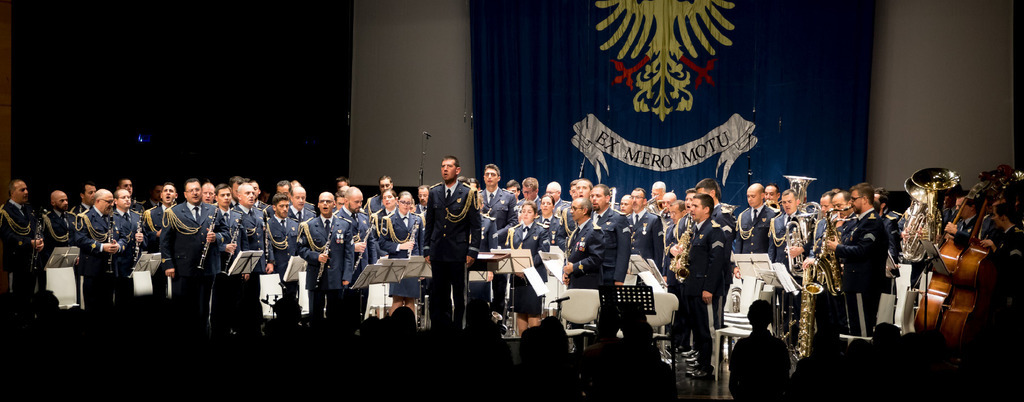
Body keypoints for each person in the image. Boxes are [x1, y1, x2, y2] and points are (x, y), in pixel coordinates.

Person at [159, 178, 227, 339]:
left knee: (203, 309)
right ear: (185, 194)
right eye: (192, 190)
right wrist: (168, 264)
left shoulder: (212, 210)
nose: (196, 193)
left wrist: (216, 237)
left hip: (208, 267)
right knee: (184, 309)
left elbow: (226, 232)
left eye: (198, 189)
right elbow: (165, 241)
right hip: (182, 267)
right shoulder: (174, 212)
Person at [423, 155, 481, 330]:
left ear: (458, 170)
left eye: (449, 166)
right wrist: (427, 248)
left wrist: (472, 251)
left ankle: (458, 329)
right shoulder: (434, 192)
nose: (445, 169)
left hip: (458, 252)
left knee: (458, 295)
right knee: (439, 295)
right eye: (442, 166)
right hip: (438, 251)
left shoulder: (468, 193)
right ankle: (441, 329)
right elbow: (430, 223)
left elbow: (476, 226)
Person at [825, 182, 889, 337]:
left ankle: (860, 359)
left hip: (863, 284)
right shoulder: (863, 221)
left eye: (853, 199)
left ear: (865, 199)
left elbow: (863, 250)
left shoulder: (872, 221)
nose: (851, 203)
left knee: (861, 329)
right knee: (854, 326)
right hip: (856, 282)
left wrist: (837, 248)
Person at [682, 193, 726, 379]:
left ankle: (708, 367)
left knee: (706, 330)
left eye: (695, 206)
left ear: (706, 209)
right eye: (690, 206)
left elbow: (716, 262)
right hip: (692, 287)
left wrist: (708, 288)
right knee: (697, 328)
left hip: (705, 289)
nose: (691, 209)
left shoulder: (714, 230)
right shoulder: (696, 229)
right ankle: (700, 363)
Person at [297, 192, 356, 325]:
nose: (325, 204)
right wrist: (316, 256)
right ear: (318, 204)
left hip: (336, 276)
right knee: (315, 315)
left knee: (335, 316)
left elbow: (349, 254)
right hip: (316, 275)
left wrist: (347, 276)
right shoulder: (309, 225)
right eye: (322, 201)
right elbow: (300, 249)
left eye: (328, 201)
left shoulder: (344, 225)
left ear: (334, 204)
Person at [494, 201, 550, 333]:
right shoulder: (514, 231)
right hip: (518, 277)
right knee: (520, 311)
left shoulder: (542, 230)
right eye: (523, 211)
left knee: (533, 311)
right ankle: (522, 343)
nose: (525, 214)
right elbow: (510, 252)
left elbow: (542, 253)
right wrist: (515, 268)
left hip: (534, 276)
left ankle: (534, 343)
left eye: (529, 212)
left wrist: (526, 267)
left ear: (535, 215)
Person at [73, 189, 124, 314]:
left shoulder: (113, 217)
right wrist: (101, 247)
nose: (112, 204)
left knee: (108, 307)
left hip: (110, 268)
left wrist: (118, 246)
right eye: (109, 201)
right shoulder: (85, 217)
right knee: (93, 308)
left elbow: (123, 236)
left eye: (112, 201)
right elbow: (80, 239)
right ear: (98, 201)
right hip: (93, 269)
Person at [729, 299, 790, 400]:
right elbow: (785, 382)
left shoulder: (741, 346)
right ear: (770, 320)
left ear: (750, 319)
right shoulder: (780, 346)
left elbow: (733, 384)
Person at [381, 191, 424, 317]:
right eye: (403, 202)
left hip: (413, 264)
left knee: (411, 300)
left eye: (409, 203)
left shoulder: (417, 219)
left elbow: (421, 245)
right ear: (397, 202)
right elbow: (383, 243)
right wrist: (400, 246)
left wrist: (421, 268)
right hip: (397, 264)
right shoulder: (389, 220)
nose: (406, 205)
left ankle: (410, 330)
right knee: (398, 300)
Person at [733, 184, 777, 278]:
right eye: (748, 196)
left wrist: (770, 263)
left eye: (753, 196)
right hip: (746, 263)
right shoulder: (743, 216)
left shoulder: (772, 215)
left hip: (763, 264)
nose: (750, 199)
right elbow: (739, 243)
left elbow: (772, 244)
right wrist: (736, 265)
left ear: (762, 196)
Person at [112, 188, 146, 306]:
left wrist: (142, 239)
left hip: (136, 262)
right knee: (122, 298)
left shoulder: (137, 216)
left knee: (137, 299)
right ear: (115, 201)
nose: (127, 199)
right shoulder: (112, 216)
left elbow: (146, 238)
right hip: (120, 262)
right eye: (123, 197)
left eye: (128, 197)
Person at [142, 182, 177, 299]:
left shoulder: (181, 213)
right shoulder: (150, 213)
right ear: (161, 195)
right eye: (165, 191)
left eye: (171, 191)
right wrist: (156, 234)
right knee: (158, 293)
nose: (168, 193)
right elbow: (145, 234)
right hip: (157, 257)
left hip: (177, 257)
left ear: (176, 195)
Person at [562, 197, 604, 290]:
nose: (571, 212)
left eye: (574, 208)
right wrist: (565, 273)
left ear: (584, 210)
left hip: (587, 283)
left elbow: (596, 259)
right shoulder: (576, 231)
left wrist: (574, 268)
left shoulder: (594, 231)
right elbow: (570, 255)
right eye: (571, 208)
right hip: (574, 282)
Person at [590, 184, 629, 285]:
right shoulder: (586, 217)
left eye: (598, 196)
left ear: (607, 198)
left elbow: (623, 251)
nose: (594, 199)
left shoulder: (618, 218)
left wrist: (619, 279)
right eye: (592, 196)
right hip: (588, 273)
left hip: (608, 273)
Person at [267, 192, 301, 298]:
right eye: (281, 206)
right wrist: (270, 261)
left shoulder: (295, 224)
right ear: (274, 207)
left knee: (292, 298)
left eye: (287, 206)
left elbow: (297, 246)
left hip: (292, 269)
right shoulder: (269, 225)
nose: (285, 209)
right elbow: (268, 245)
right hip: (277, 267)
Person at [628, 187, 665, 283]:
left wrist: (656, 272)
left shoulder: (653, 220)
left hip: (647, 272)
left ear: (645, 201)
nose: (634, 200)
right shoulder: (626, 220)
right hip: (628, 271)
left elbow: (658, 250)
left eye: (637, 197)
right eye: (632, 197)